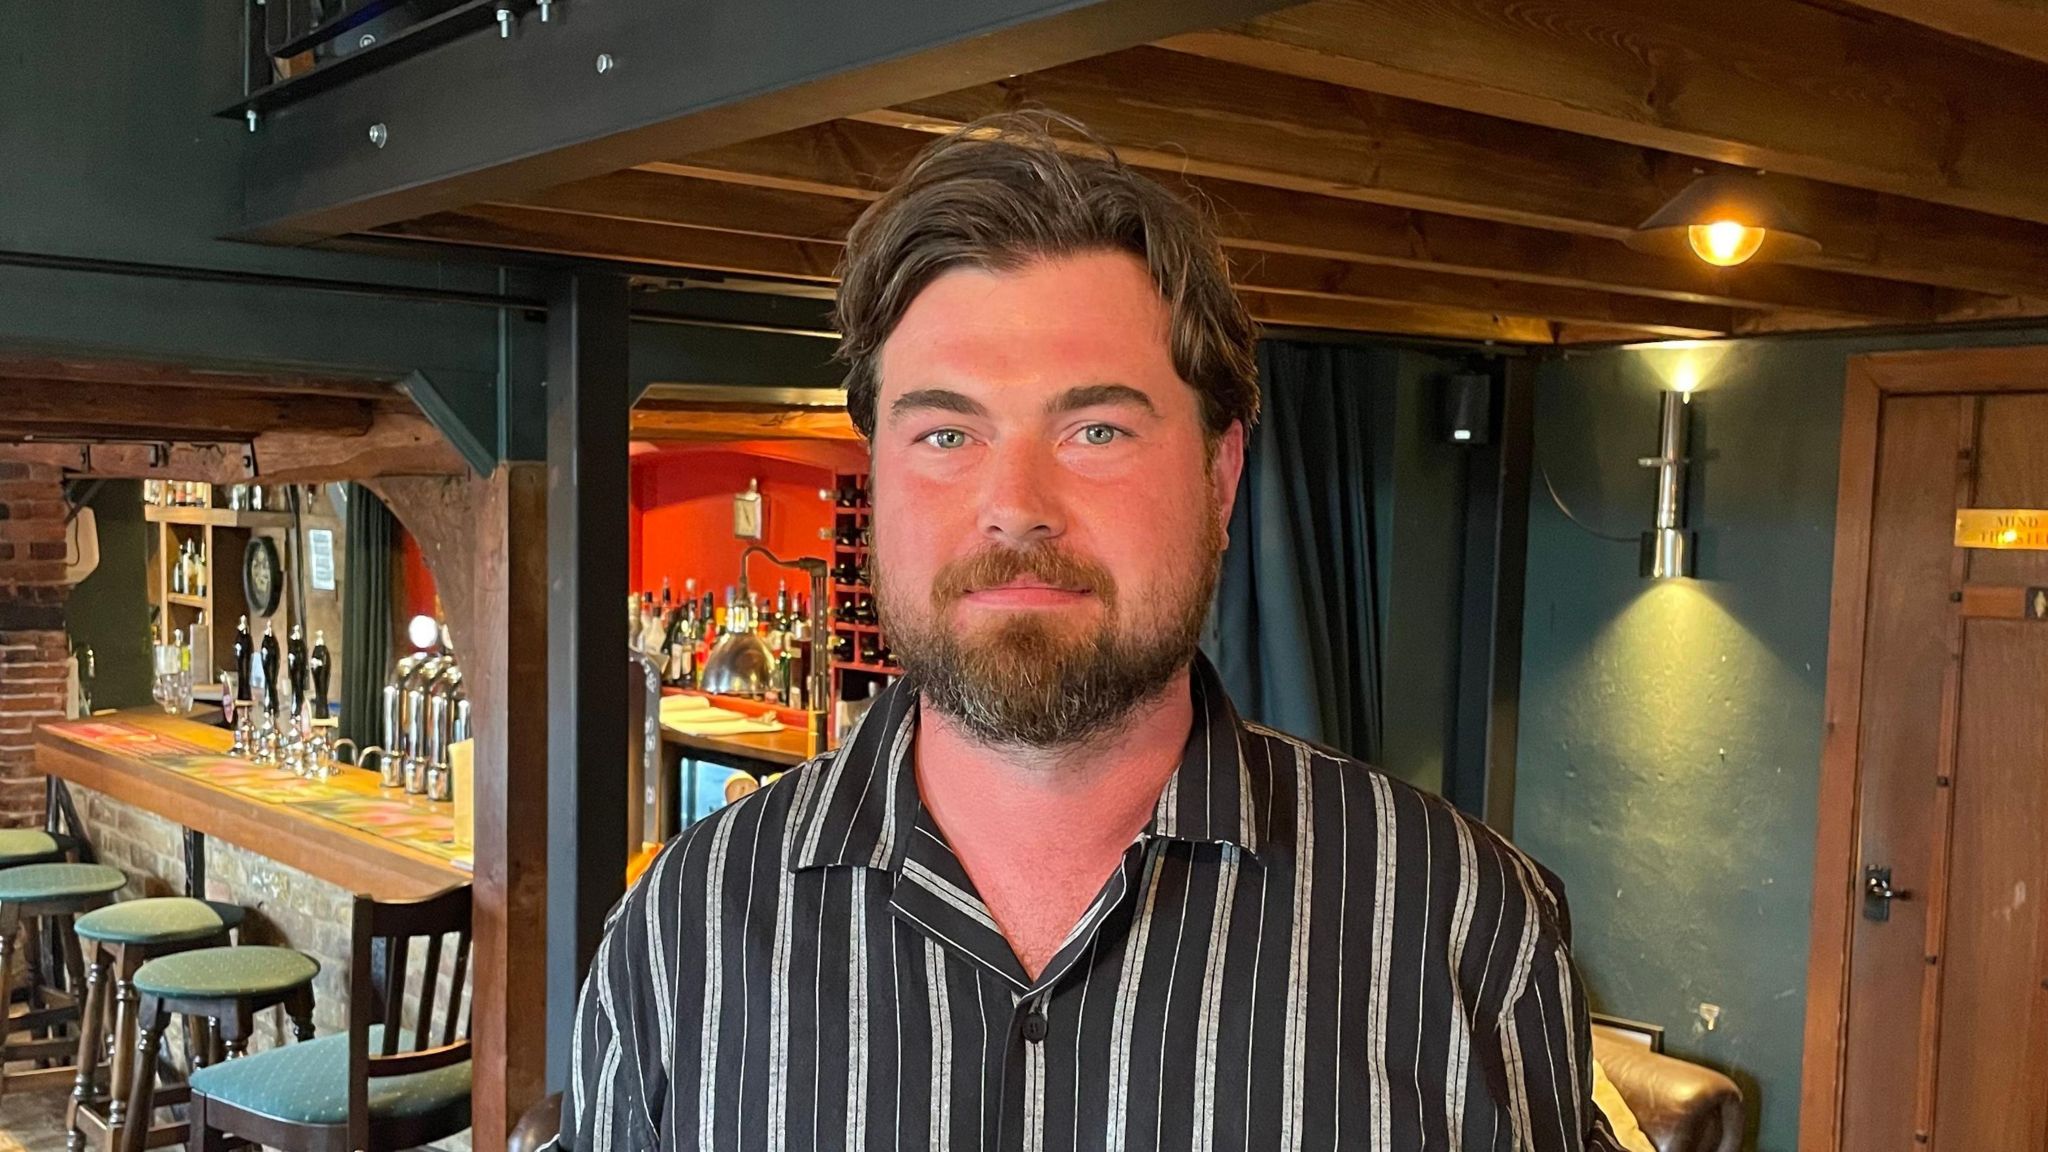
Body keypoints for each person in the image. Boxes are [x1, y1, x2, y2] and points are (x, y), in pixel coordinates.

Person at [554, 112, 1622, 1152]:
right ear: (876, 472)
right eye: (944, 431)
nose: (1014, 504)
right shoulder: (682, 928)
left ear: (1219, 476)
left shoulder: (1461, 923)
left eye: (1095, 428)